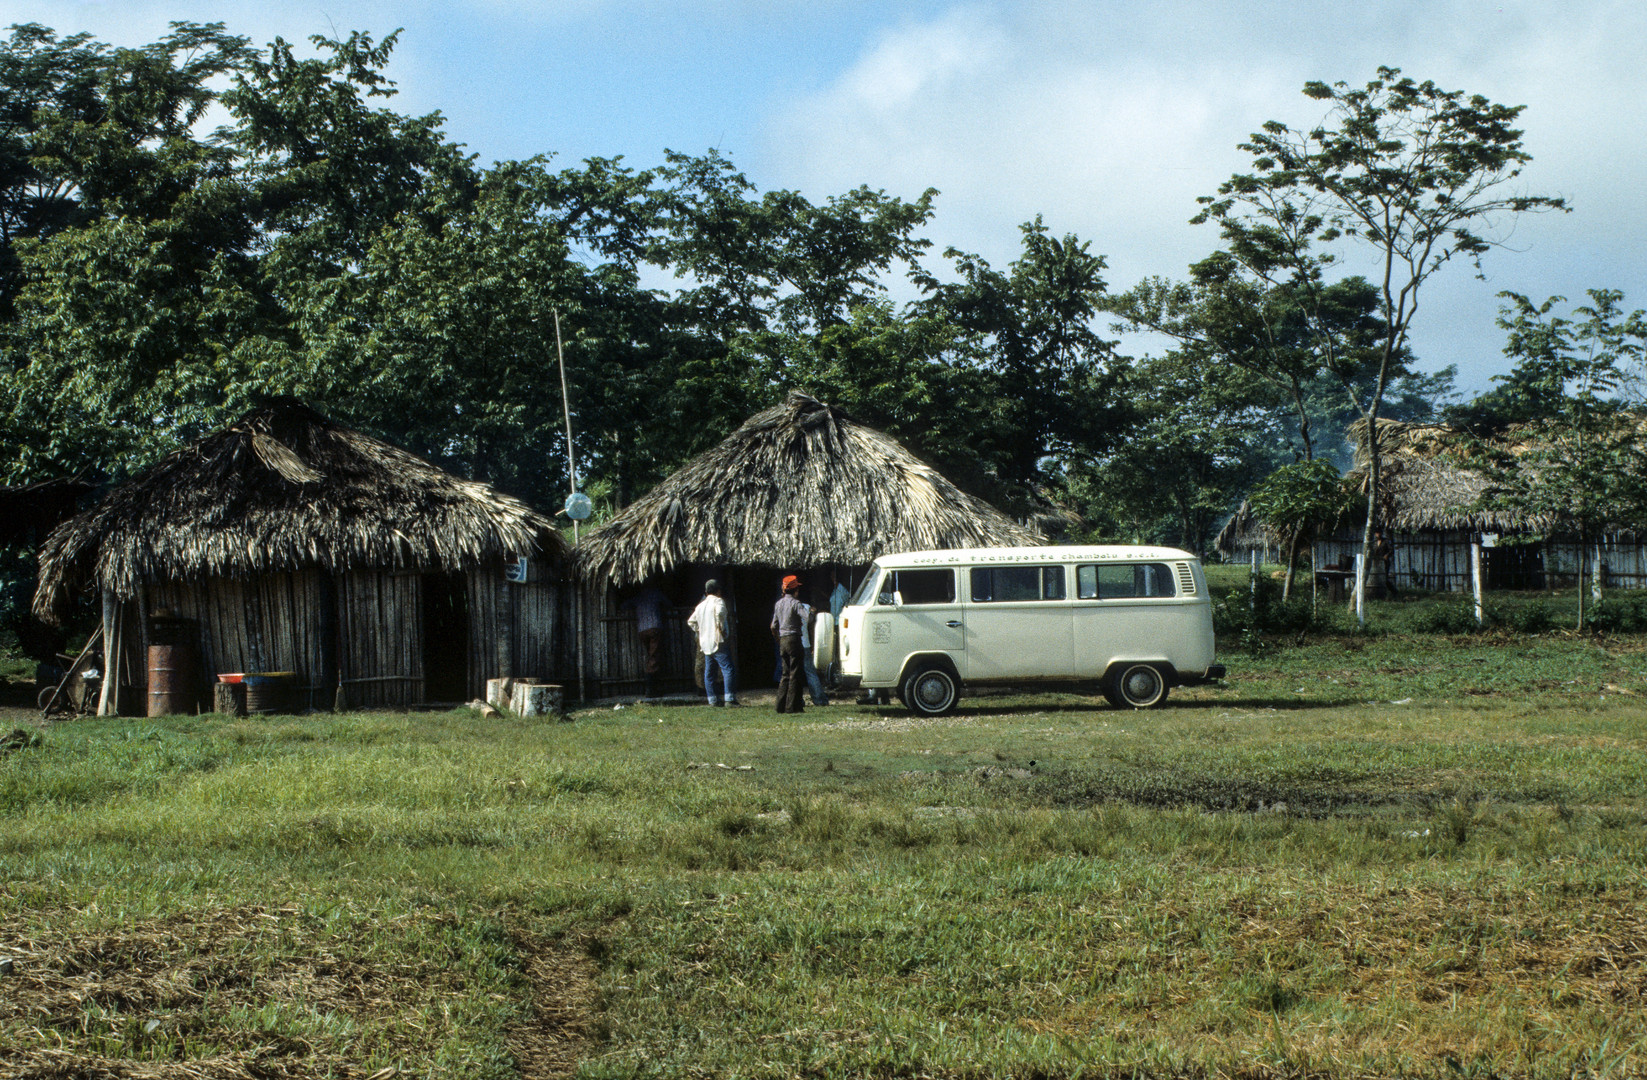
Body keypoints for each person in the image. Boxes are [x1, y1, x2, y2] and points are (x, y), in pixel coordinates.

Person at [687, 580, 738, 707]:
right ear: (718, 591)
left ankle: (713, 700)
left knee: (709, 672)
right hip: (717, 640)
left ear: (706, 592)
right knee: (728, 669)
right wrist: (720, 626)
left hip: (705, 643)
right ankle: (729, 699)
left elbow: (691, 621)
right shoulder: (718, 601)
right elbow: (720, 613)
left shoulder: (700, 606)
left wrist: (700, 630)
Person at [621, 584, 669, 697]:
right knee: (654, 657)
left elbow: (623, 606)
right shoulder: (656, 594)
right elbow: (669, 604)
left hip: (642, 630)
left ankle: (652, 687)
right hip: (654, 628)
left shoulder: (638, 597)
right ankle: (651, 689)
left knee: (651, 656)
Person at [771, 574, 807, 713]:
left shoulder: (778, 604)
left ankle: (779, 706)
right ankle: (792, 707)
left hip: (783, 639)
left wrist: (779, 640)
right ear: (795, 590)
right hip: (794, 639)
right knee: (795, 674)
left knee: (785, 674)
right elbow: (807, 618)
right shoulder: (796, 603)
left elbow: (773, 626)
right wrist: (811, 612)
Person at [797, 595, 828, 706]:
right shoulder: (806, 607)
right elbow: (811, 628)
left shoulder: (785, 605)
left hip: (793, 644)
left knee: (794, 674)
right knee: (811, 673)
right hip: (805, 644)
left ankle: (796, 700)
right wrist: (813, 645)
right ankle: (819, 699)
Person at [1373, 528, 1398, 597]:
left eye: (1379, 533)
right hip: (1376, 563)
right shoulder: (1374, 542)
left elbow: (1391, 550)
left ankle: (1394, 591)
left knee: (1384, 578)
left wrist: (1387, 555)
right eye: (1376, 533)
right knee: (1377, 578)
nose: (1378, 534)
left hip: (1385, 562)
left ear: (1381, 533)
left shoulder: (1386, 541)